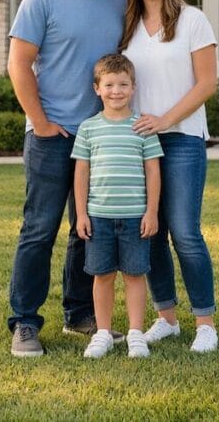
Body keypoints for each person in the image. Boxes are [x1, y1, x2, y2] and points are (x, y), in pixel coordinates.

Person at [6, 0, 126, 357]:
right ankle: (24, 321)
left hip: (100, 139)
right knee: (39, 229)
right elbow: (19, 64)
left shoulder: (121, 0)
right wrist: (39, 122)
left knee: (86, 230)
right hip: (51, 135)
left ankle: (80, 314)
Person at [120, 0, 219, 353]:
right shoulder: (127, 25)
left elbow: (206, 83)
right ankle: (167, 318)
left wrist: (166, 119)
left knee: (185, 232)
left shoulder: (192, 20)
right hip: (139, 143)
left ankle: (205, 324)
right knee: (152, 232)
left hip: (181, 140)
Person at [72, 54, 163, 358]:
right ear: (97, 88)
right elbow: (81, 172)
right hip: (99, 217)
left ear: (133, 88)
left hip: (135, 216)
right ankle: (102, 333)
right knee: (102, 275)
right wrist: (82, 213)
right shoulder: (88, 129)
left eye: (123, 84)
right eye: (109, 84)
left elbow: (153, 171)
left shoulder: (142, 127)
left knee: (135, 275)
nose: (116, 90)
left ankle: (136, 333)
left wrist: (151, 212)